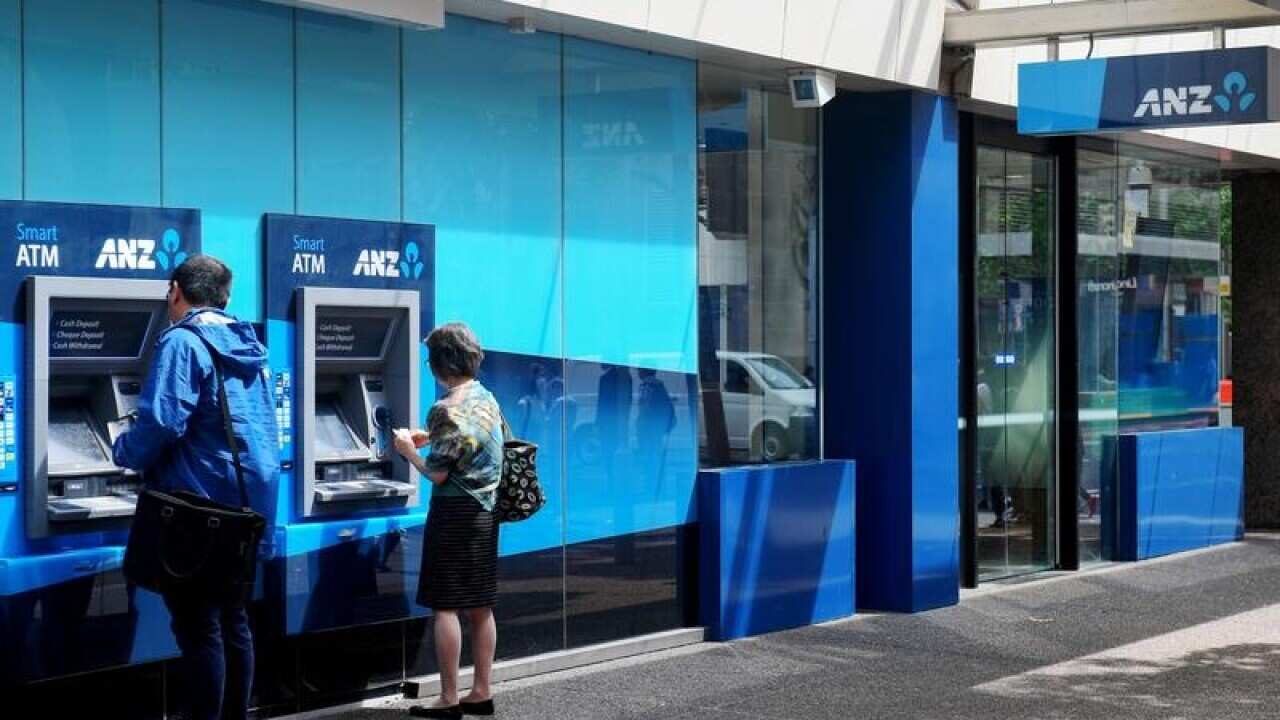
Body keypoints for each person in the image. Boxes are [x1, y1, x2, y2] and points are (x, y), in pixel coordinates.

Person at [113, 255, 279, 720]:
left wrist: (123, 451)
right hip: (243, 509)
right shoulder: (249, 346)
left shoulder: (183, 342)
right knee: (233, 621)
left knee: (199, 626)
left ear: (175, 291)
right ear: (225, 297)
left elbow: (163, 420)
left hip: (195, 508)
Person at [393, 322, 503, 719]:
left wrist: (409, 449)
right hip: (484, 512)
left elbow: (437, 473)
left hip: (455, 513)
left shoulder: (445, 407)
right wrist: (432, 437)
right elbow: (471, 442)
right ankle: (482, 692)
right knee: (480, 605)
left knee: (445, 607)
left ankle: (449, 698)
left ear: (439, 363)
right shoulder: (484, 396)